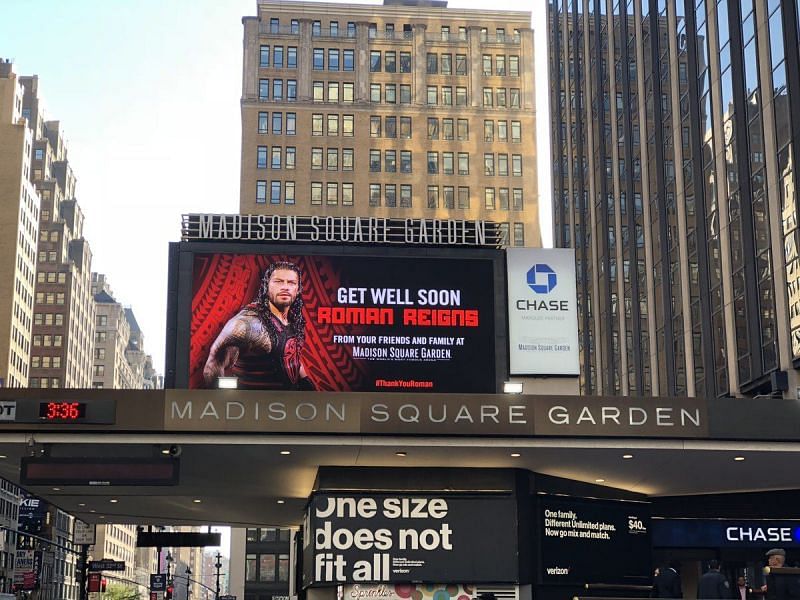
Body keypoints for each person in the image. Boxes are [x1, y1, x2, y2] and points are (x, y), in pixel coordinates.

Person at [203, 261, 315, 390]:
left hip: (287, 403)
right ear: (266, 286)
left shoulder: (292, 317)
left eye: (291, 283)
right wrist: (222, 403)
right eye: (278, 281)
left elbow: (289, 353)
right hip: (255, 405)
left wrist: (305, 381)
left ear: (298, 289)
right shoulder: (247, 323)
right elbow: (212, 366)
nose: (285, 287)